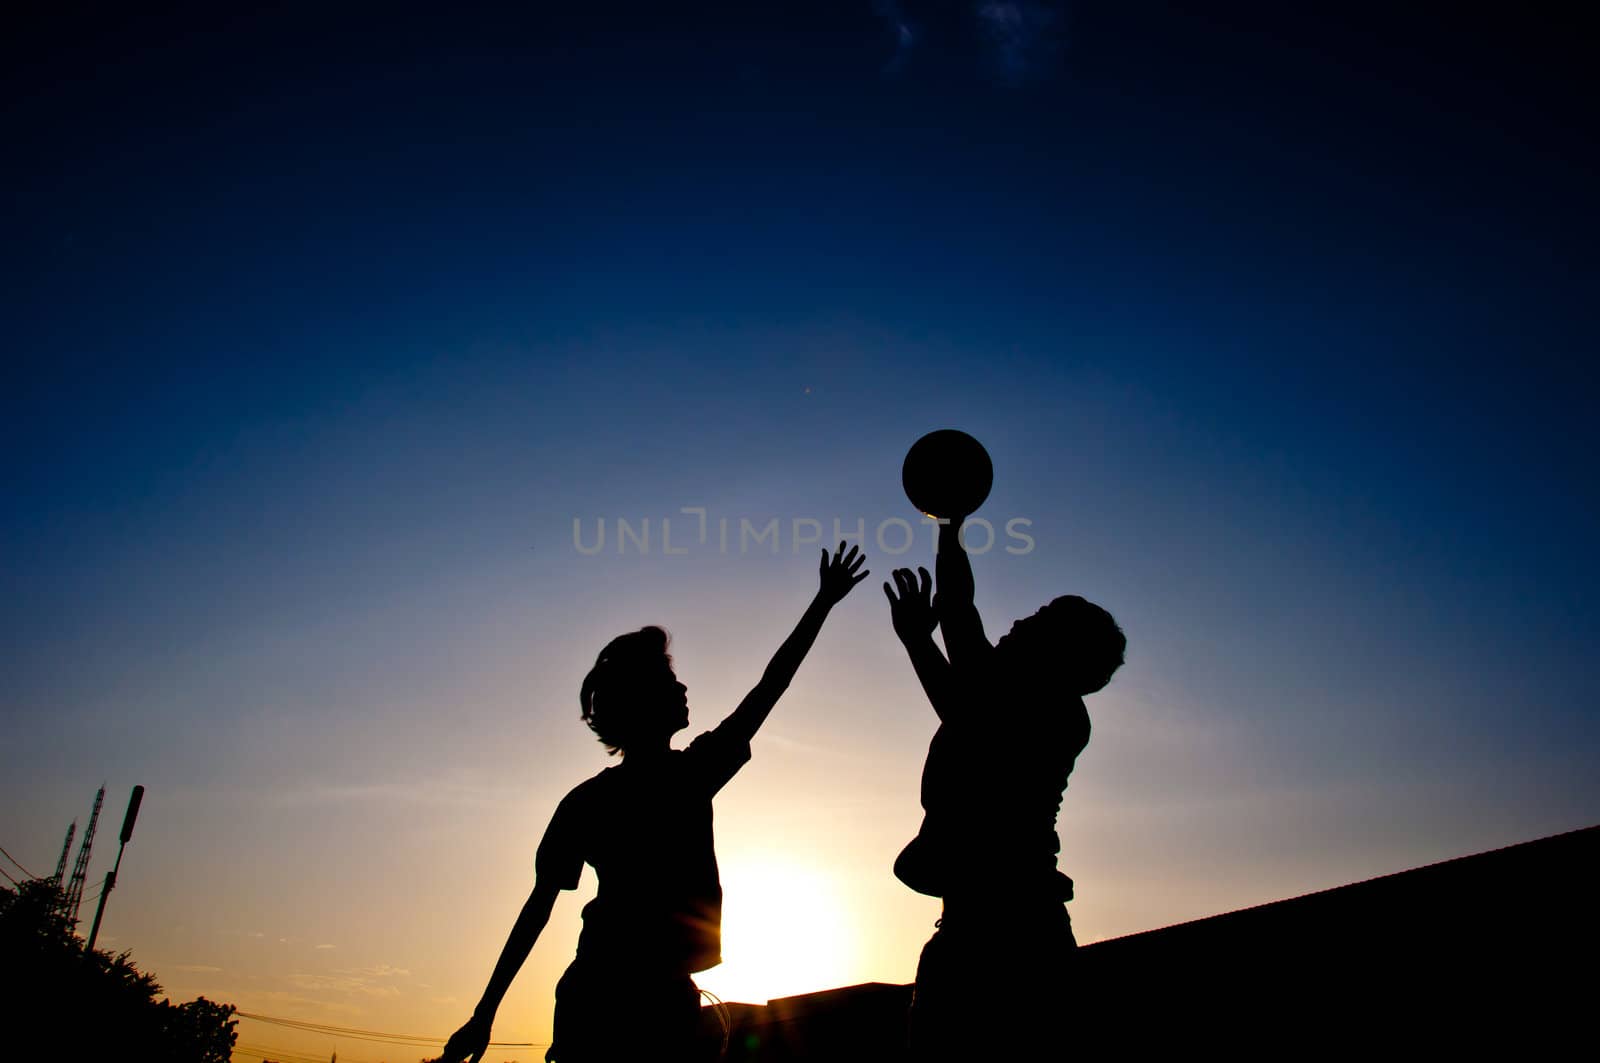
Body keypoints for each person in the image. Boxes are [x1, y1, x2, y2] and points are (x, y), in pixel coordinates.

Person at [441, 543, 869, 1063]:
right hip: (623, 1007)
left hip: (619, 1000)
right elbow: (768, 688)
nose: (684, 686)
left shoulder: (592, 799)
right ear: (642, 702)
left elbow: (537, 910)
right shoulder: (682, 779)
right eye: (669, 681)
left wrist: (485, 1013)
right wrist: (821, 603)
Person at [882, 519, 1124, 1059]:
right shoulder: (1021, 702)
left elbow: (960, 618)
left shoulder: (1050, 711)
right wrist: (920, 638)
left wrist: (949, 524)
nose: (1017, 620)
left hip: (1009, 937)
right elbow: (959, 686)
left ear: (1055, 654)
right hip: (990, 927)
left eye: (1036, 621)